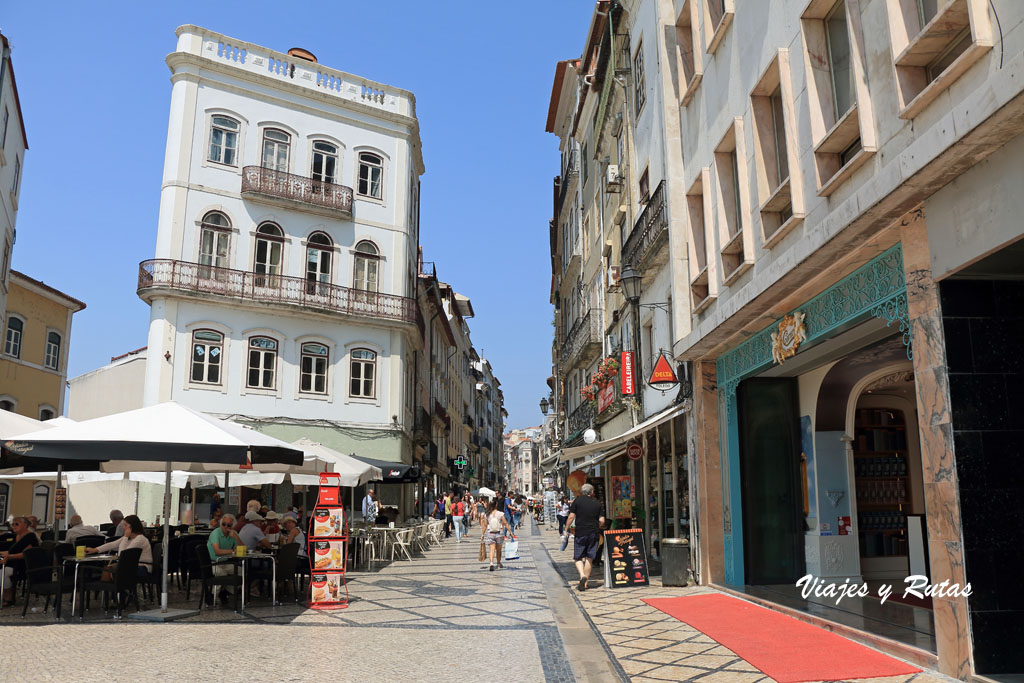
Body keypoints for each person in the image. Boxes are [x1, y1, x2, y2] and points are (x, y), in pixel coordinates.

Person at [565, 484, 605, 592]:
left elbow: (571, 516)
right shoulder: (597, 504)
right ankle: (585, 582)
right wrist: (596, 526)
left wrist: (566, 528)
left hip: (580, 532)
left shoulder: (577, 501)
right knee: (589, 558)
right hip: (593, 533)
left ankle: (582, 576)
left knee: (578, 557)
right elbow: (602, 521)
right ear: (591, 492)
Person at [85, 515, 153, 576]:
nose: (123, 528)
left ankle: (114, 588)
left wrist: (125, 537)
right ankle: (113, 588)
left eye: (125, 525)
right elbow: (112, 544)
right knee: (111, 569)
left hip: (143, 567)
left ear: (132, 527)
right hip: (132, 566)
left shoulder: (139, 539)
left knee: (115, 570)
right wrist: (95, 550)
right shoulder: (130, 538)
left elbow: (122, 554)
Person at [0, 516, 39, 605]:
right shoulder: (16, 536)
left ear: (25, 525)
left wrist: (9, 556)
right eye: (13, 524)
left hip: (25, 565)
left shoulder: (30, 536)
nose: (14, 526)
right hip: (14, 561)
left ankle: (9, 597)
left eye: (17, 524)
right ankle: (4, 594)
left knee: (4, 572)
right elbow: (10, 551)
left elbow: (26, 554)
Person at [207, 513, 241, 607]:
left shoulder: (233, 533)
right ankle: (213, 596)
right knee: (222, 573)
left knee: (242, 572)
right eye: (224, 524)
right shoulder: (216, 533)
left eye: (229, 525)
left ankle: (225, 592)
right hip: (212, 563)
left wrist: (236, 537)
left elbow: (243, 548)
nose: (226, 527)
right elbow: (217, 551)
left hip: (225, 562)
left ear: (232, 526)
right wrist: (232, 551)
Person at [480, 500, 513, 571]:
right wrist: (511, 533)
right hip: (499, 533)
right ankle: (498, 564)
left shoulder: (487, 514)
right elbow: (505, 523)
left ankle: (491, 563)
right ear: (495, 506)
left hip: (490, 533)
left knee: (491, 550)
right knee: (499, 550)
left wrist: (482, 534)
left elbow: (485, 525)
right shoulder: (500, 514)